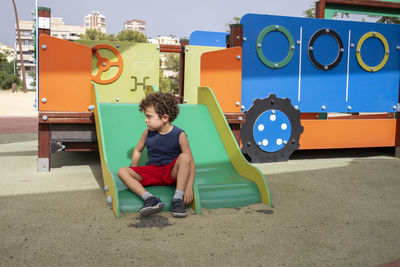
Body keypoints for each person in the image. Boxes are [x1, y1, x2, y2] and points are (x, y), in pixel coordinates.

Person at [117, 92, 195, 218]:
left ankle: (177, 199)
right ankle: (150, 199)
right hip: (152, 171)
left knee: (185, 157)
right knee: (122, 171)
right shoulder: (147, 133)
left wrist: (189, 187)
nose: (145, 120)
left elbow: (190, 162)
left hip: (171, 172)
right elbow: (138, 150)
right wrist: (134, 168)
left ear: (164, 118)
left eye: (149, 116)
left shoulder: (179, 135)